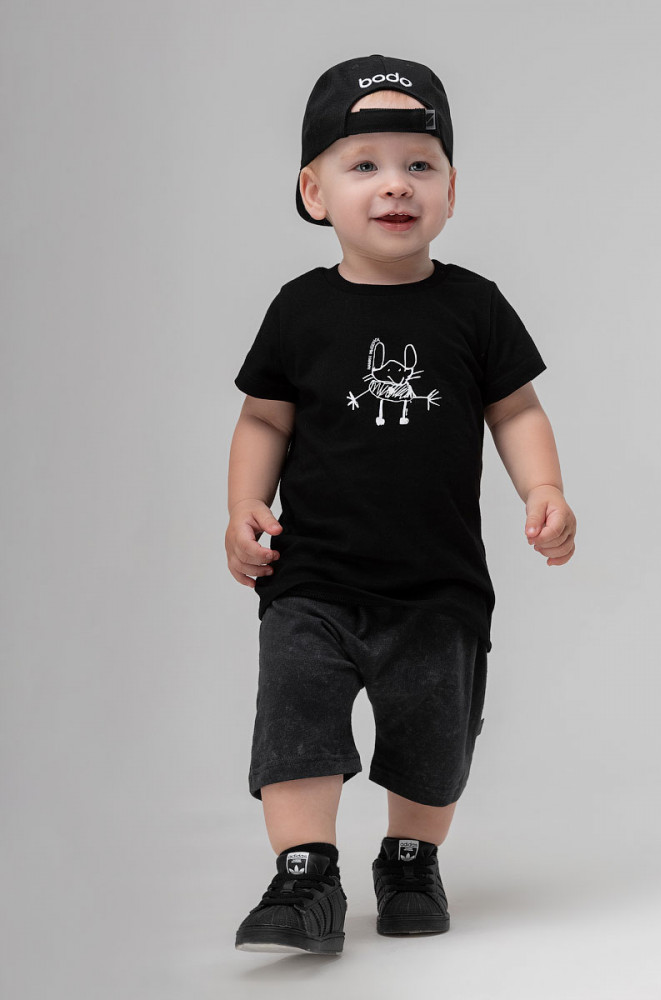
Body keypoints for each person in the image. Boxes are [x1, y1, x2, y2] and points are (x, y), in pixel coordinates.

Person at [225, 54, 577, 955]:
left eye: (420, 164)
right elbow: (264, 418)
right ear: (314, 192)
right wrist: (243, 506)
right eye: (365, 164)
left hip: (437, 585)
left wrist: (543, 488)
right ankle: (304, 873)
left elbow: (517, 411)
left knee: (433, 737)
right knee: (296, 717)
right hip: (312, 578)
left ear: (451, 189)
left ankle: (411, 859)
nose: (396, 185)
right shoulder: (299, 310)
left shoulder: (475, 306)